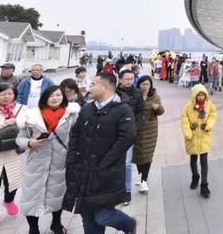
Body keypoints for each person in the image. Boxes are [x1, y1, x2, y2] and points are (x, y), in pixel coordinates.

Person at [63, 72, 137, 234]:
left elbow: (127, 138)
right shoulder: (88, 109)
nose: (90, 87)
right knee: (87, 217)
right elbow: (75, 134)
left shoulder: (122, 110)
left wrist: (105, 164)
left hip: (105, 175)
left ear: (105, 87)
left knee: (102, 215)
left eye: (93, 84)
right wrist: (71, 159)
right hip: (83, 172)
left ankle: (128, 224)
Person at [16, 85, 80, 234]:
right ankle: (33, 228)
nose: (55, 98)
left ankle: (56, 224)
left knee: (56, 196)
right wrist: (29, 143)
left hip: (60, 162)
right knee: (31, 198)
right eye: (51, 96)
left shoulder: (71, 115)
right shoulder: (31, 116)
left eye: (58, 95)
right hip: (36, 163)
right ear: (44, 98)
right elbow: (19, 139)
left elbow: (77, 137)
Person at [0, 83, 27, 224]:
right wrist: (5, 123)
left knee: (13, 179)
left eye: (9, 93)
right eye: (2, 94)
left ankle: (9, 200)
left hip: (15, 150)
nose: (6, 97)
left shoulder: (22, 108)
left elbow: (27, 127)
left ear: (14, 94)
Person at [181, 84, 217, 198]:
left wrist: (208, 125)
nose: (201, 97)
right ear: (194, 95)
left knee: (204, 160)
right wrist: (188, 131)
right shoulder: (188, 106)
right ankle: (195, 176)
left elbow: (213, 115)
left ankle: (204, 185)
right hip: (192, 137)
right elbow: (184, 118)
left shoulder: (209, 105)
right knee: (193, 159)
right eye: (198, 95)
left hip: (204, 136)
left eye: (203, 95)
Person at [116, 70, 144, 206]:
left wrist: (135, 128)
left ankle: (126, 190)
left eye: (131, 79)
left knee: (127, 164)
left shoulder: (137, 93)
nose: (129, 81)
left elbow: (141, 112)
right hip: (113, 132)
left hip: (129, 132)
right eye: (126, 79)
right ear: (120, 79)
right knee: (114, 162)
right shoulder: (113, 93)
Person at [133, 76, 164, 194]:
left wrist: (158, 108)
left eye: (147, 84)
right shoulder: (135, 96)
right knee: (138, 154)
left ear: (150, 85)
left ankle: (144, 180)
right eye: (143, 84)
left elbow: (161, 111)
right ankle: (140, 174)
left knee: (147, 154)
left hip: (150, 129)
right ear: (139, 85)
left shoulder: (155, 96)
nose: (145, 87)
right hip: (137, 129)